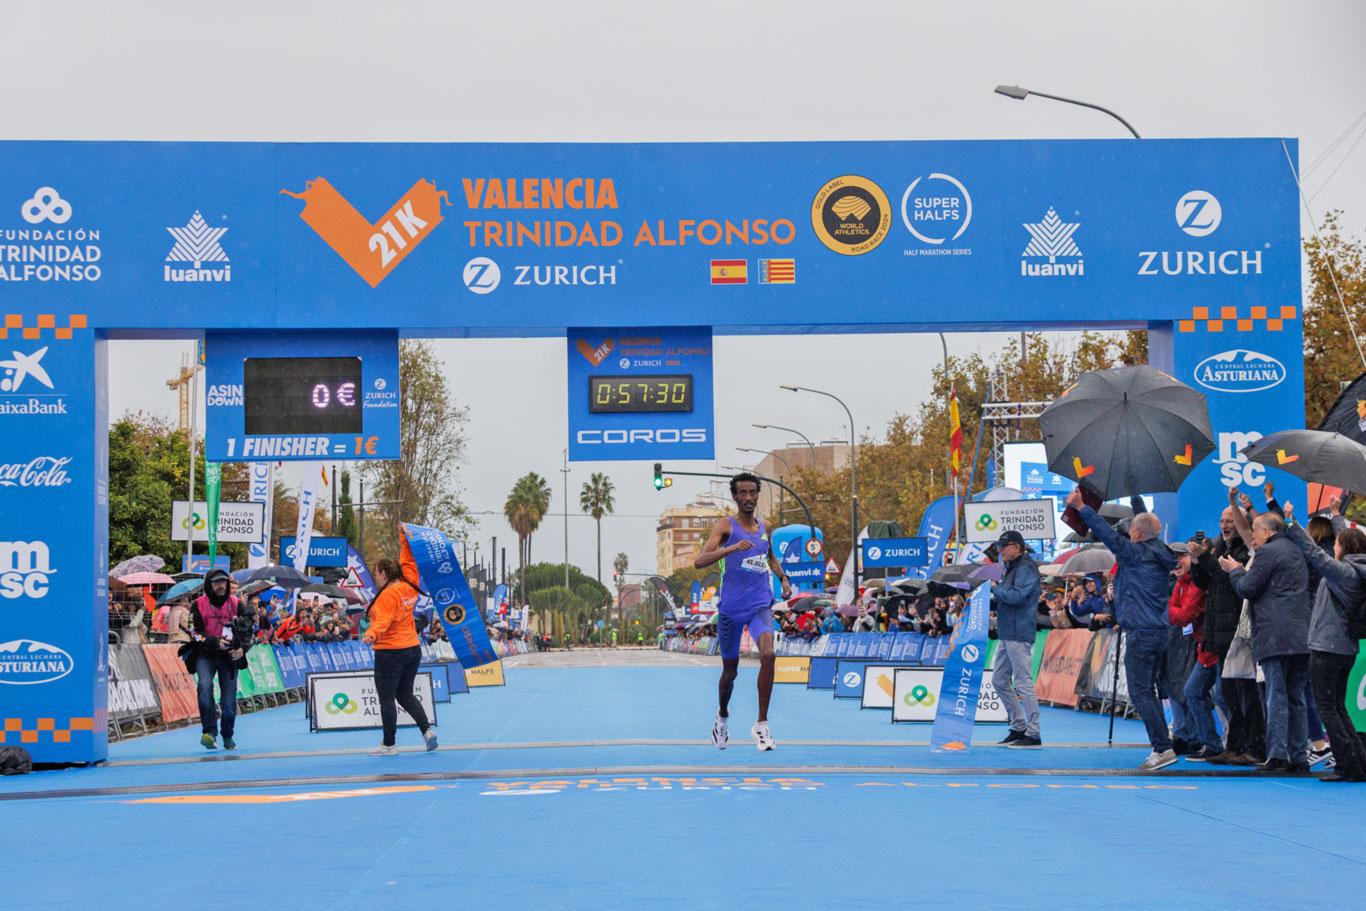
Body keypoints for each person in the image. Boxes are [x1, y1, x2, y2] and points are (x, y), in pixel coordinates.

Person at [1066, 487, 1178, 771]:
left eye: (1131, 531)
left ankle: (1162, 748)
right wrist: (1134, 494)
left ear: (1137, 535)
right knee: (1151, 691)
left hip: (1141, 633)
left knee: (1141, 693)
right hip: (1159, 631)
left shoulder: (1135, 554)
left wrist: (1082, 508)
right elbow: (1144, 522)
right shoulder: (1160, 551)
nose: (1128, 534)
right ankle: (1165, 743)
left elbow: (1108, 535)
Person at [694, 472, 792, 751]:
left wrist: (783, 578)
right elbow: (700, 561)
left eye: (753, 492)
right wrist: (733, 548)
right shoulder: (725, 526)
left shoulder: (765, 526)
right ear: (735, 497)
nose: (749, 498)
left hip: (761, 604)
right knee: (730, 673)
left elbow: (769, 555)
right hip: (731, 610)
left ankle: (761, 725)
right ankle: (722, 717)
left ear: (757, 495)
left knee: (769, 654)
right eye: (743, 493)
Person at [1221, 511, 1310, 772]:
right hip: (1299, 634)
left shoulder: (1268, 553)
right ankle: (1298, 756)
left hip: (1274, 634)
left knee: (1277, 696)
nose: (1254, 539)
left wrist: (1236, 571)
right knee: (1296, 697)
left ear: (1268, 531)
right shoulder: (1296, 550)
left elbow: (1248, 588)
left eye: (1257, 532)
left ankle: (1278, 756)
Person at [1283, 501, 1366, 781]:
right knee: (1338, 707)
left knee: (1328, 709)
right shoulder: (1359, 569)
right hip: (1345, 648)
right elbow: (1349, 541)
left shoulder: (1341, 573)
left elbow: (1313, 553)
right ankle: (1357, 762)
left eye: (1338, 543)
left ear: (1343, 547)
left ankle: (1347, 765)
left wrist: (1292, 522)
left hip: (1327, 647)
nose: (1335, 547)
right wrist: (1338, 517)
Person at [1187, 499, 1263, 765]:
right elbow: (1205, 583)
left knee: (1247, 693)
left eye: (1230, 521)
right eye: (1221, 521)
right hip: (1220, 629)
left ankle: (1253, 746)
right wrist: (1197, 562)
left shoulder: (1248, 551)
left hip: (1239, 630)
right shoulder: (1218, 547)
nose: (1224, 525)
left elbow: (1230, 579)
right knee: (1229, 694)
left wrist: (1206, 559)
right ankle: (1234, 745)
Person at [362, 555, 438, 756]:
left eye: (376, 574)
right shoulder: (409, 585)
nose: (376, 578)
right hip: (412, 648)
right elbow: (411, 564)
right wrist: (405, 538)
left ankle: (389, 744)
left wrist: (371, 634)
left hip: (390, 650)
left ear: (384, 573)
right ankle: (427, 731)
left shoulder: (388, 594)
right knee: (405, 694)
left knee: (387, 698)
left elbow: (384, 621)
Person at [1167, 542, 1221, 760]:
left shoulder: (1197, 584)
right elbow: (1179, 613)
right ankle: (1212, 744)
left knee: (1223, 699)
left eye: (1182, 556)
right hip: (1204, 647)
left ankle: (1226, 744)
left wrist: (1166, 606)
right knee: (1191, 691)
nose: (1177, 561)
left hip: (1214, 647)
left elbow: (1183, 615)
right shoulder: (1181, 583)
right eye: (1174, 557)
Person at [990, 529, 1043, 748]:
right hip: (1007, 631)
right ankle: (1019, 726)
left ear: (1016, 547)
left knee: (1023, 682)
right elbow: (1007, 598)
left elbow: (1016, 596)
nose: (999, 550)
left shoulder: (1026, 568)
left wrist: (996, 589)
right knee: (999, 680)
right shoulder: (1011, 568)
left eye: (1003, 546)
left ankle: (1034, 733)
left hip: (1019, 632)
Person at [185, 569, 248, 750]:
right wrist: (214, 641)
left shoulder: (237, 603)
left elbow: (250, 630)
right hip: (205, 653)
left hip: (229, 656)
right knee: (204, 685)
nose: (220, 586)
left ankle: (227, 735)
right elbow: (193, 632)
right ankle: (209, 732)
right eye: (216, 582)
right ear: (208, 585)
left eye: (223, 582)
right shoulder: (197, 604)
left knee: (228, 701)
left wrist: (243, 649)